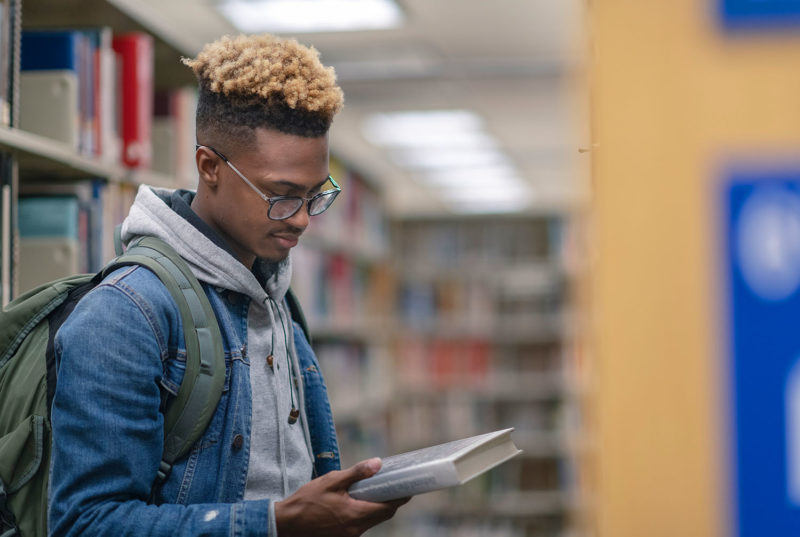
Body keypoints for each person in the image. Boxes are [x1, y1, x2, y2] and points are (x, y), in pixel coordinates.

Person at [48, 33, 408, 536]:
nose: (302, 220)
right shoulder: (124, 314)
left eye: (314, 195)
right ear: (209, 167)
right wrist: (276, 522)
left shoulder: (277, 300)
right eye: (281, 196)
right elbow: (86, 525)